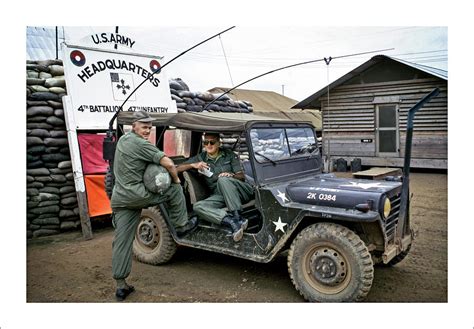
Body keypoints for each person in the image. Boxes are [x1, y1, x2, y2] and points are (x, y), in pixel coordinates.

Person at [110, 110, 197, 301]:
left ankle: (121, 285)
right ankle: (182, 225)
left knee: (122, 241)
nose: (147, 130)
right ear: (134, 126)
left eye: (149, 127)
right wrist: (175, 180)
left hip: (121, 198)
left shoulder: (123, 141)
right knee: (175, 191)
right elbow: (167, 162)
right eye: (144, 127)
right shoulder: (141, 144)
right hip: (138, 196)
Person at [177, 132, 253, 242]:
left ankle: (238, 216)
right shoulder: (201, 158)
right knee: (198, 207)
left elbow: (242, 176)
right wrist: (193, 165)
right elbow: (177, 168)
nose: (208, 145)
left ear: (219, 143)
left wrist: (231, 176)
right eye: (205, 142)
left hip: (239, 191)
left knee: (223, 180)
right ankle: (232, 222)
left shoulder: (229, 154)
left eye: (212, 142)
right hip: (220, 195)